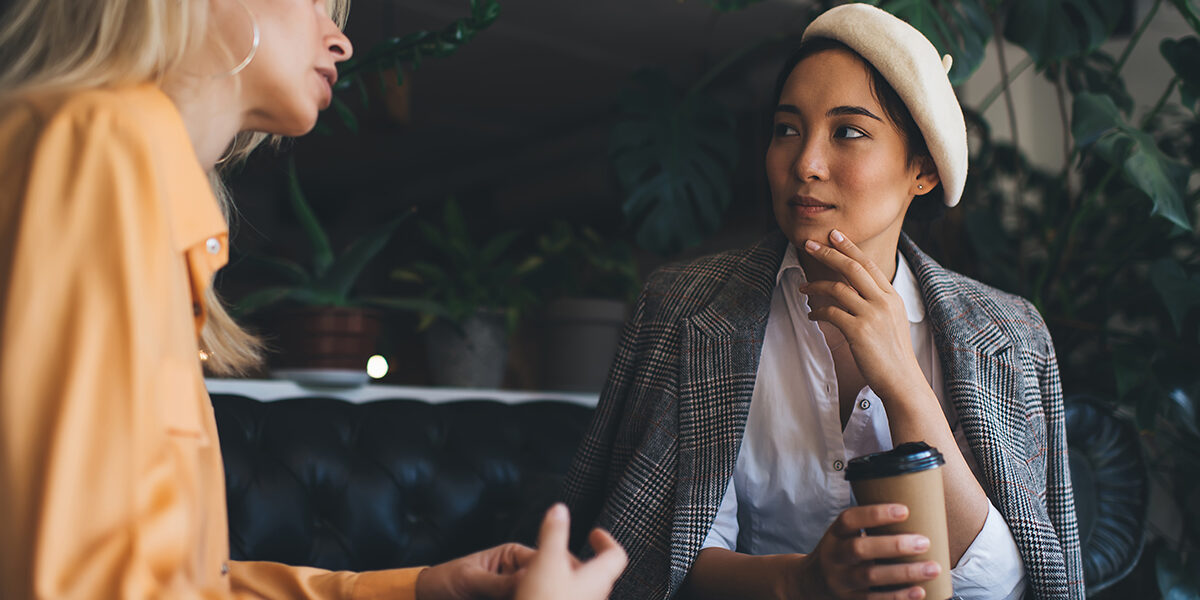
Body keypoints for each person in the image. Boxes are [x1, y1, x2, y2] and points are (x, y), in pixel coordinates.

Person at [0, 0, 626, 598]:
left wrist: (417, 587)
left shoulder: (122, 165)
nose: (341, 41)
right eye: (314, 4)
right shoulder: (97, 148)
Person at [562, 4, 1084, 600]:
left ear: (923, 169)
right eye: (787, 129)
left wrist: (905, 386)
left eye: (849, 132)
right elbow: (649, 559)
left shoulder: (1010, 335)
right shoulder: (680, 310)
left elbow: (1013, 581)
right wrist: (800, 581)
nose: (805, 164)